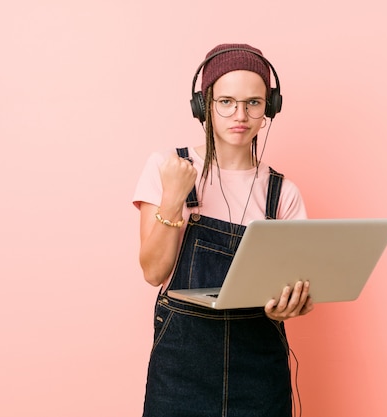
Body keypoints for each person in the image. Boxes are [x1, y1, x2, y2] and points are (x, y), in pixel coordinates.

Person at [132, 43, 314, 417]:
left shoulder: (283, 193)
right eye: (226, 101)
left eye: (253, 103)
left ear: (270, 108)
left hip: (260, 368)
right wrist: (173, 198)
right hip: (182, 365)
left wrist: (294, 304)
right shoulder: (168, 167)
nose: (240, 115)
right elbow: (153, 273)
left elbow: (293, 287)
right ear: (204, 106)